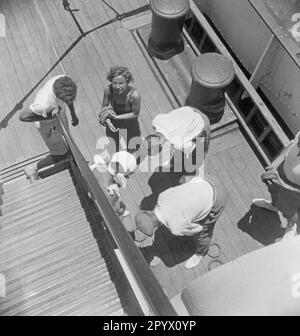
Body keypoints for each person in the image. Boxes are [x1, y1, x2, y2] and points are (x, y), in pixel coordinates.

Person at [134, 176, 226, 269]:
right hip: (206, 180)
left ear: (155, 226)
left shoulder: (175, 228)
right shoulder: (162, 196)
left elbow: (198, 229)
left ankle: (201, 252)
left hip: (217, 198)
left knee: (203, 234)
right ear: (148, 212)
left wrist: (189, 224)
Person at [19, 75, 79, 181]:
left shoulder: (64, 80)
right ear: (59, 96)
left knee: (68, 141)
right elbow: (23, 117)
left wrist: (73, 114)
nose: (69, 101)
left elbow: (69, 100)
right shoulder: (43, 104)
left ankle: (71, 156)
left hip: (59, 113)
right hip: (47, 125)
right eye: (66, 100)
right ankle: (32, 168)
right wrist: (51, 115)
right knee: (61, 154)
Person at [253, 132, 300, 239]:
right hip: (281, 173)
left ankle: (291, 227)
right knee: (273, 190)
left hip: (294, 190)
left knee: (288, 210)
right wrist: (275, 164)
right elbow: (291, 144)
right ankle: (274, 206)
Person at [149, 106, 210, 183]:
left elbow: (189, 150)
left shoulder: (179, 142)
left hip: (200, 126)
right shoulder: (158, 124)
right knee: (179, 150)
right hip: (190, 112)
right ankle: (174, 162)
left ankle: (189, 175)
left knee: (195, 157)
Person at [99, 66, 141, 154]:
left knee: (133, 146)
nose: (118, 87)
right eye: (115, 83)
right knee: (114, 145)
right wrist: (107, 121)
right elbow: (104, 108)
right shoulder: (108, 90)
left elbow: (135, 114)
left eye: (121, 83)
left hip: (130, 124)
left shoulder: (134, 95)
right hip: (114, 123)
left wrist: (116, 117)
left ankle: (130, 161)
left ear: (127, 82)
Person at [89, 150, 137, 217]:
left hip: (91, 188)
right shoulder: (114, 192)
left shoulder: (97, 166)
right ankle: (122, 213)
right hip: (100, 203)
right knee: (119, 203)